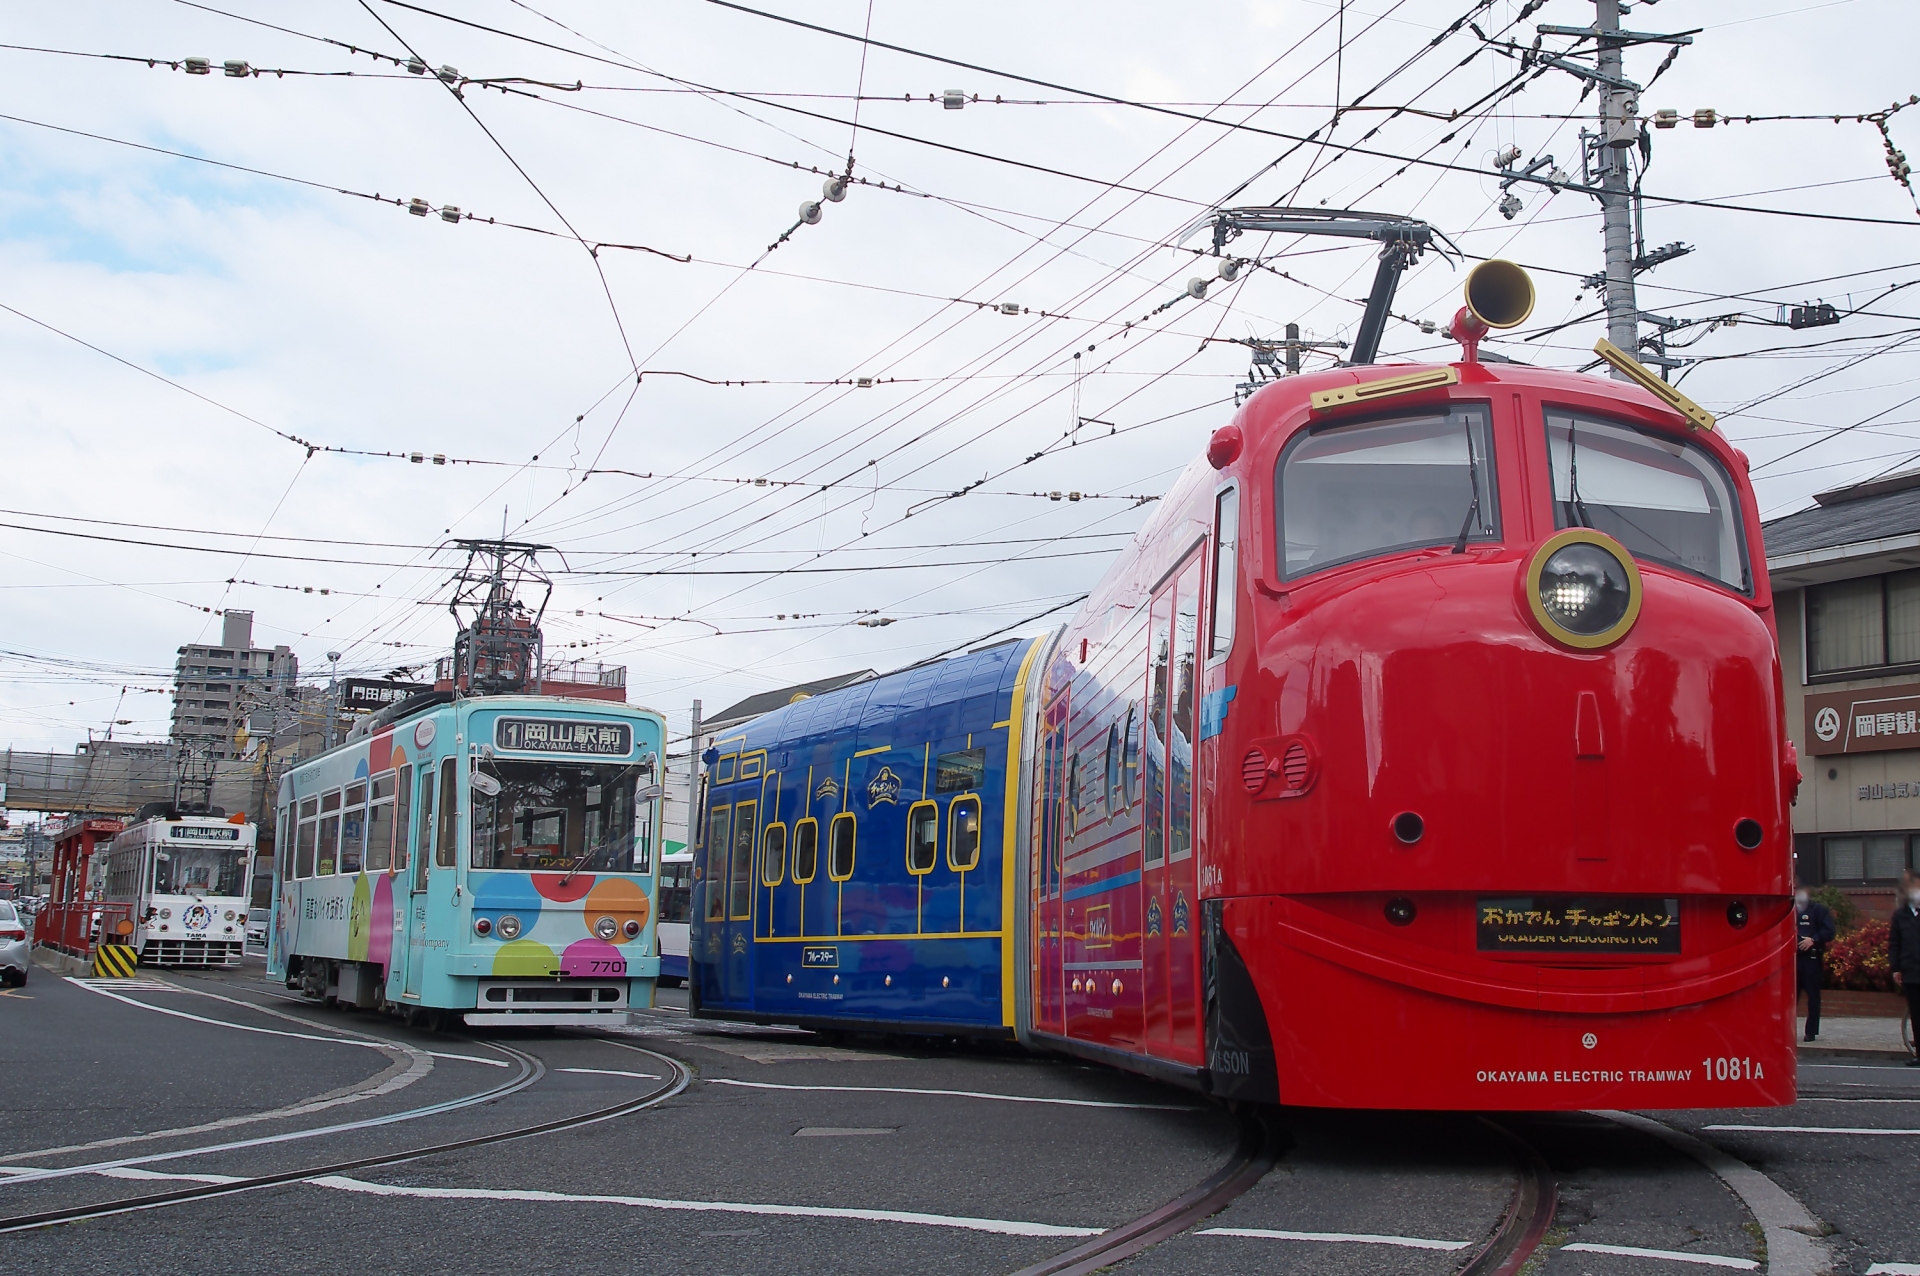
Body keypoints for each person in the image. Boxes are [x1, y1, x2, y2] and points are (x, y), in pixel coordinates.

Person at [1795, 885, 1836, 1042]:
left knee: (1813, 997)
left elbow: (1829, 931)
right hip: (1793, 959)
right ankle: (1786, 1029)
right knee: (1791, 998)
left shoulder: (1818, 910)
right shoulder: (1790, 908)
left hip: (1811, 959)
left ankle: (1810, 1032)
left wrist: (1813, 940)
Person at [1893, 874, 1920, 1066]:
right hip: (1911, 972)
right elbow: (1894, 943)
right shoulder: (1900, 915)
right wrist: (1896, 968)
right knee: (1916, 1016)